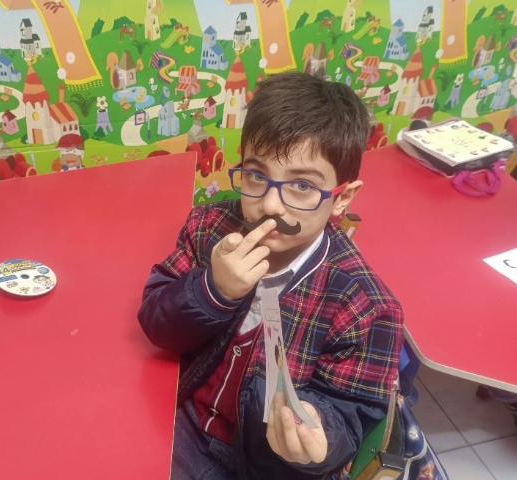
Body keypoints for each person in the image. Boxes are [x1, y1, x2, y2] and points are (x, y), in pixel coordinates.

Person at [138, 72, 403, 479]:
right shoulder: (209, 227)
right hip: (181, 424)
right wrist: (212, 290)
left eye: (302, 186)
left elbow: (355, 415)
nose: (271, 205)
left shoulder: (366, 308)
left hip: (266, 468)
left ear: (343, 198)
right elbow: (156, 322)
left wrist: (318, 432)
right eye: (257, 176)